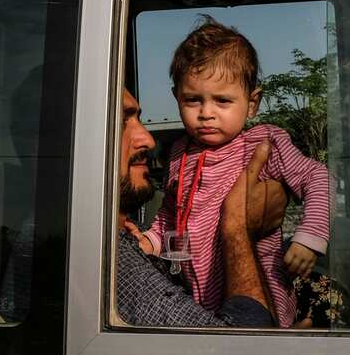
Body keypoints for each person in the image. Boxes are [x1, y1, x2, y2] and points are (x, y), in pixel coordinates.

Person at [139, 17, 330, 326]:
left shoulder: (263, 143)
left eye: (223, 100)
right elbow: (170, 213)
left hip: (262, 283)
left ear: (252, 103)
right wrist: (150, 240)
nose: (206, 113)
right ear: (177, 97)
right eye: (193, 100)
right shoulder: (179, 153)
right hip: (196, 295)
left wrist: (309, 238)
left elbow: (318, 177)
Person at [116, 88, 287, 327]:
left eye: (223, 99)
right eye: (122, 121)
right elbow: (245, 345)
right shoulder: (116, 266)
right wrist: (236, 224)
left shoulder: (134, 235)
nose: (148, 139)